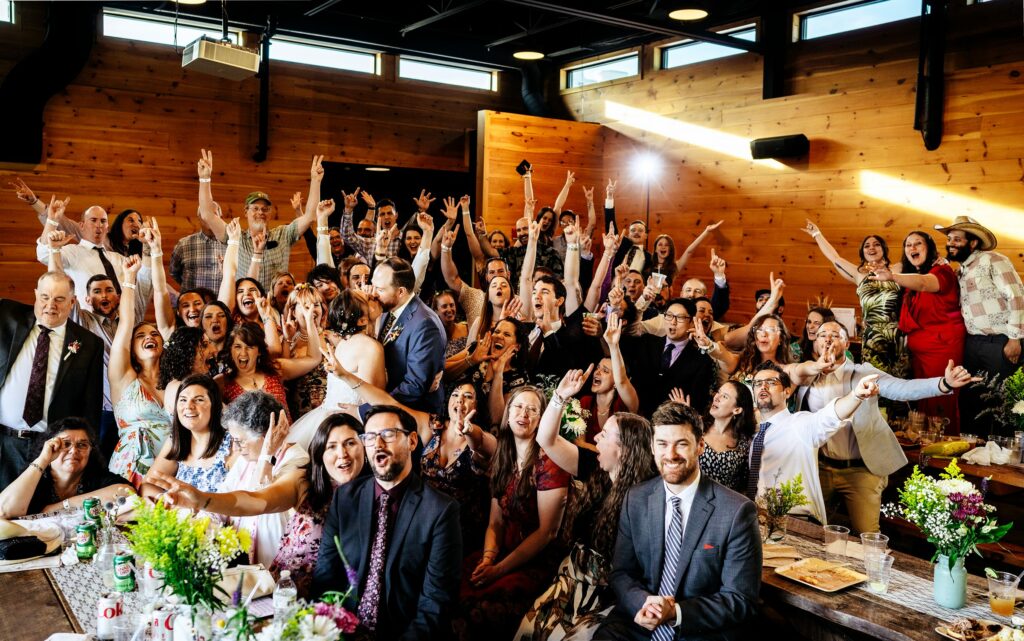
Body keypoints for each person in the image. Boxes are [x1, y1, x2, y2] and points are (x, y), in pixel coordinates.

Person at [150, 412, 367, 599]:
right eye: (332, 446)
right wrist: (202, 500)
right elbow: (255, 501)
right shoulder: (304, 482)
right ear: (321, 453)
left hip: (338, 600)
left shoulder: (374, 495)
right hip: (283, 594)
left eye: (350, 443)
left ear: (365, 446)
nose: (342, 454)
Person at [594, 402, 761, 641]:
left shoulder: (737, 512)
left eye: (681, 444)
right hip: (637, 623)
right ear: (652, 447)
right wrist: (644, 604)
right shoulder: (637, 498)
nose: (670, 454)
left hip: (696, 630)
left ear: (700, 446)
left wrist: (675, 612)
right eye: (662, 444)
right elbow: (621, 573)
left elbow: (740, 599)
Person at [794, 321, 979, 533]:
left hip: (861, 470)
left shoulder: (863, 373)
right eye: (821, 335)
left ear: (846, 343)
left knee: (868, 537)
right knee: (807, 530)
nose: (827, 339)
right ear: (814, 343)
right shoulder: (807, 376)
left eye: (835, 335)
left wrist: (943, 384)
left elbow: (902, 388)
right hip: (820, 469)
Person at [517, 367, 657, 641]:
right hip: (569, 581)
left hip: (606, 597)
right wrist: (560, 396)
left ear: (625, 449)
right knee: (527, 631)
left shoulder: (646, 497)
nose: (595, 438)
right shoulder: (596, 467)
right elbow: (546, 439)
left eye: (604, 435)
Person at [313, 405, 462, 640]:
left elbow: (435, 604)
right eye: (370, 437)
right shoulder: (345, 498)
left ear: (412, 441)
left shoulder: (441, 511)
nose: (378, 445)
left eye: (388, 435)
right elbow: (325, 575)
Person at [457, 386, 570, 640]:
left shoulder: (549, 462)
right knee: (456, 586)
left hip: (536, 557)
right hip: (502, 548)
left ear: (542, 419)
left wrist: (498, 570)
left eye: (532, 410)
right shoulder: (504, 456)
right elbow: (495, 522)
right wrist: (488, 559)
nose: (524, 414)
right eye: (518, 407)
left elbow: (546, 533)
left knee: (486, 609)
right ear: (508, 414)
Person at [0, 272, 104, 491]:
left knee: (39, 515)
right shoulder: (6, 316)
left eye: (59, 299)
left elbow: (90, 408)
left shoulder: (88, 344)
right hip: (3, 441)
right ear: (36, 295)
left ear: (72, 301)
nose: (50, 305)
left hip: (51, 449)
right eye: (45, 297)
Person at [748, 361, 881, 525]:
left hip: (796, 520)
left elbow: (830, 416)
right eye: (758, 384)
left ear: (787, 392)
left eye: (771, 383)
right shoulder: (752, 432)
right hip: (758, 518)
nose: (763, 387)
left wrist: (856, 395)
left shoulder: (799, 424)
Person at [935, 216, 1024, 436]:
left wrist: (1014, 339)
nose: (951, 243)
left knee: (1003, 404)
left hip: (1001, 341)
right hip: (973, 343)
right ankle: (973, 455)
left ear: (973, 242)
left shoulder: (993, 260)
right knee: (972, 401)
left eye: (957, 239)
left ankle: (1003, 461)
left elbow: (1017, 297)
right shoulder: (962, 270)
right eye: (949, 239)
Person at [871, 231, 966, 432]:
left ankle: (945, 455)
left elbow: (924, 283)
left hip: (941, 349)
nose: (912, 248)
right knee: (922, 402)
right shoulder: (910, 274)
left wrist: (892, 276)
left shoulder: (942, 271)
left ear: (929, 248)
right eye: (908, 245)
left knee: (940, 400)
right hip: (919, 352)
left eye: (918, 244)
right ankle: (925, 451)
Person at [197, 150, 325, 291]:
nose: (260, 212)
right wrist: (205, 179)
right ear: (246, 211)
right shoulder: (235, 236)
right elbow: (207, 214)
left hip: (276, 306)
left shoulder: (283, 234)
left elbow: (310, 215)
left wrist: (315, 181)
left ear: (270, 213)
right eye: (255, 208)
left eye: (265, 209)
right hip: (246, 304)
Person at [803, 221, 908, 377]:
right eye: (867, 246)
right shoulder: (859, 275)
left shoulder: (899, 269)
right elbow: (835, 258)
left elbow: (921, 265)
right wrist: (817, 234)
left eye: (876, 244)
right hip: (872, 338)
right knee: (875, 383)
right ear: (862, 252)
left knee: (900, 383)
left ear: (884, 249)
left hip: (897, 335)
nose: (871, 247)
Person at [217, 391, 310, 567]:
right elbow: (224, 494)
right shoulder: (244, 459)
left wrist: (266, 456)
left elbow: (259, 501)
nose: (236, 447)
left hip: (276, 561)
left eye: (241, 441)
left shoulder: (296, 459)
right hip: (239, 558)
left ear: (266, 436)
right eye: (234, 440)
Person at [288, 289, 386, 450]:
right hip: (350, 424)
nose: (374, 296)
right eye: (368, 299)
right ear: (361, 320)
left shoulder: (343, 344)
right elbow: (375, 398)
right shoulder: (369, 347)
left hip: (326, 418)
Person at [108, 255, 173, 487]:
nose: (150, 337)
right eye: (141, 335)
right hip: (132, 468)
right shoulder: (123, 378)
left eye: (155, 334)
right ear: (131, 349)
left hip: (172, 469)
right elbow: (126, 323)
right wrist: (129, 278)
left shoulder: (175, 383)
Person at [35, 198, 151, 320]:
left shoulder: (119, 259)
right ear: (82, 225)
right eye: (93, 220)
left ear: (107, 227)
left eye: (103, 221)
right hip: (88, 323)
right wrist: (51, 221)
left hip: (122, 322)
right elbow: (44, 254)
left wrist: (148, 245)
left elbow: (145, 283)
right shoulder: (72, 252)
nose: (98, 225)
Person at [0, 417, 133, 518]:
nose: (73, 451)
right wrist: (42, 460)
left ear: (90, 451)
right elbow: (4, 510)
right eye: (65, 444)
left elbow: (127, 492)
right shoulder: (35, 478)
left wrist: (60, 507)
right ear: (50, 448)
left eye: (82, 445)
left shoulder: (95, 477)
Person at [371, 257, 446, 414]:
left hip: (412, 413)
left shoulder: (425, 325)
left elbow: (415, 385)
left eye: (380, 289)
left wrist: (374, 407)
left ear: (400, 292)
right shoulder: (387, 308)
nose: (373, 293)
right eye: (373, 285)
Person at [140, 374, 232, 500]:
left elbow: (240, 498)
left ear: (215, 406)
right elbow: (147, 485)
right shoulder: (177, 439)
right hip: (179, 518)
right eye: (183, 400)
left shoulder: (231, 443)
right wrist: (167, 501)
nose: (188, 406)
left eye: (199, 400)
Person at [625, 298, 715, 416]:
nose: (673, 322)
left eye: (680, 318)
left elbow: (698, 403)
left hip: (671, 423)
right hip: (637, 416)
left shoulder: (702, 361)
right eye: (669, 316)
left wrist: (685, 410)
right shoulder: (646, 343)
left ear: (692, 322)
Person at [217, 317, 322, 415]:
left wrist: (309, 320)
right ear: (231, 350)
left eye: (250, 347)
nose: (243, 353)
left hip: (290, 434)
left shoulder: (276, 368)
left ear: (259, 351)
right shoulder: (222, 383)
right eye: (238, 347)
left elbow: (314, 358)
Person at [697, 381, 756, 494]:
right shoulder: (696, 428)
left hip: (725, 507)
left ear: (737, 410)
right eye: (718, 392)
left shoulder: (744, 443)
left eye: (725, 396)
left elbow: (743, 486)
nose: (716, 398)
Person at [170, 202, 228, 293]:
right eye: (205, 215)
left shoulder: (231, 244)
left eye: (214, 214)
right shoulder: (184, 244)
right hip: (192, 305)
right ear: (199, 218)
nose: (209, 218)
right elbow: (174, 273)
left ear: (221, 217)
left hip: (223, 305)